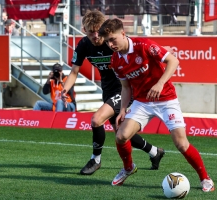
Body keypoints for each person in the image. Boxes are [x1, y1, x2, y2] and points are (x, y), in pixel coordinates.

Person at [98, 18, 214, 192]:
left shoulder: (143, 45)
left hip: (166, 99)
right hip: (142, 102)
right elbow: (126, 87)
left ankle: (205, 178)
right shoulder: (115, 61)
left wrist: (159, 84)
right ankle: (128, 168)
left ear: (123, 33)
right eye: (107, 41)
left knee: (181, 144)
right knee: (121, 136)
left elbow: (173, 61)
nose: (110, 44)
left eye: (113, 39)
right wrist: (122, 110)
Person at [61, 10, 165, 175]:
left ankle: (95, 159)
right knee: (121, 133)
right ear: (84, 30)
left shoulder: (113, 43)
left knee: (96, 120)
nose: (95, 35)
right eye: (91, 32)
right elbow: (74, 72)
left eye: (98, 31)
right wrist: (65, 89)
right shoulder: (83, 45)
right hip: (108, 90)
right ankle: (155, 152)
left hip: (124, 89)